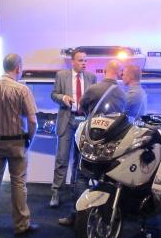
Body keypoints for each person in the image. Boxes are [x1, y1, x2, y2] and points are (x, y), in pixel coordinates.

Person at [58, 59, 125, 227]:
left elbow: (81, 107)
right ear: (118, 73)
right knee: (108, 178)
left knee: (82, 176)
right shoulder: (122, 93)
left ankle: (77, 215)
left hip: (91, 139)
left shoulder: (93, 89)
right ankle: (104, 215)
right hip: (111, 143)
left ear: (105, 71)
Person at [0, 53, 38, 235]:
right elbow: (33, 120)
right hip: (17, 143)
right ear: (18, 68)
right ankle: (21, 225)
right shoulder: (22, 90)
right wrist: (29, 139)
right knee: (18, 182)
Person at [49, 49, 97, 208]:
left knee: (79, 159)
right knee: (62, 158)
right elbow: (53, 94)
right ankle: (56, 191)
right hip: (67, 120)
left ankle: (76, 190)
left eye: (85, 60)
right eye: (81, 60)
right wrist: (63, 97)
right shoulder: (61, 75)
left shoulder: (91, 77)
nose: (84, 63)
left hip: (83, 122)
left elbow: (95, 99)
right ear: (73, 62)